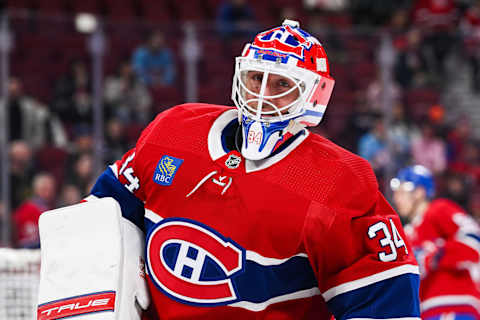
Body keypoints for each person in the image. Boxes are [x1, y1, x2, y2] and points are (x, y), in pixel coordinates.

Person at [44, 20, 420, 319]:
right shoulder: (174, 131)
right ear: (240, 77)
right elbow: (102, 216)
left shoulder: (336, 180)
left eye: (282, 84)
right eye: (257, 78)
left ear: (313, 95)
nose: (262, 94)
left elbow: (384, 305)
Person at [391, 165, 480, 319]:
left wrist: (435, 255)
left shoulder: (439, 210)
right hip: (424, 311)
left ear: (419, 192)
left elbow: (474, 242)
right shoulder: (406, 233)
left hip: (455, 304)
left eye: (401, 192)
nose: (396, 198)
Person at [13, 172, 56, 248]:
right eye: (45, 188)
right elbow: (27, 242)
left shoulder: (51, 208)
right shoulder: (26, 209)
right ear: (36, 189)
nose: (49, 192)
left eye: (51, 189)